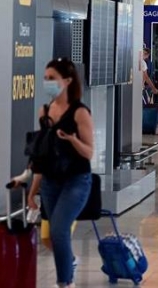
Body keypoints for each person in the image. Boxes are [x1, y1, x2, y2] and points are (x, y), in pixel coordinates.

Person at [30, 58, 94, 288]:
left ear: (67, 81)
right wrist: (32, 191)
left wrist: (73, 140)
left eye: (52, 79)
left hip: (76, 180)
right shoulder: (44, 111)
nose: (47, 83)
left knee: (58, 229)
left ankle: (64, 282)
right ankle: (69, 267)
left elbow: (88, 153)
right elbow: (42, 155)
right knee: (50, 235)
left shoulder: (79, 113)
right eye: (46, 78)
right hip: (50, 180)